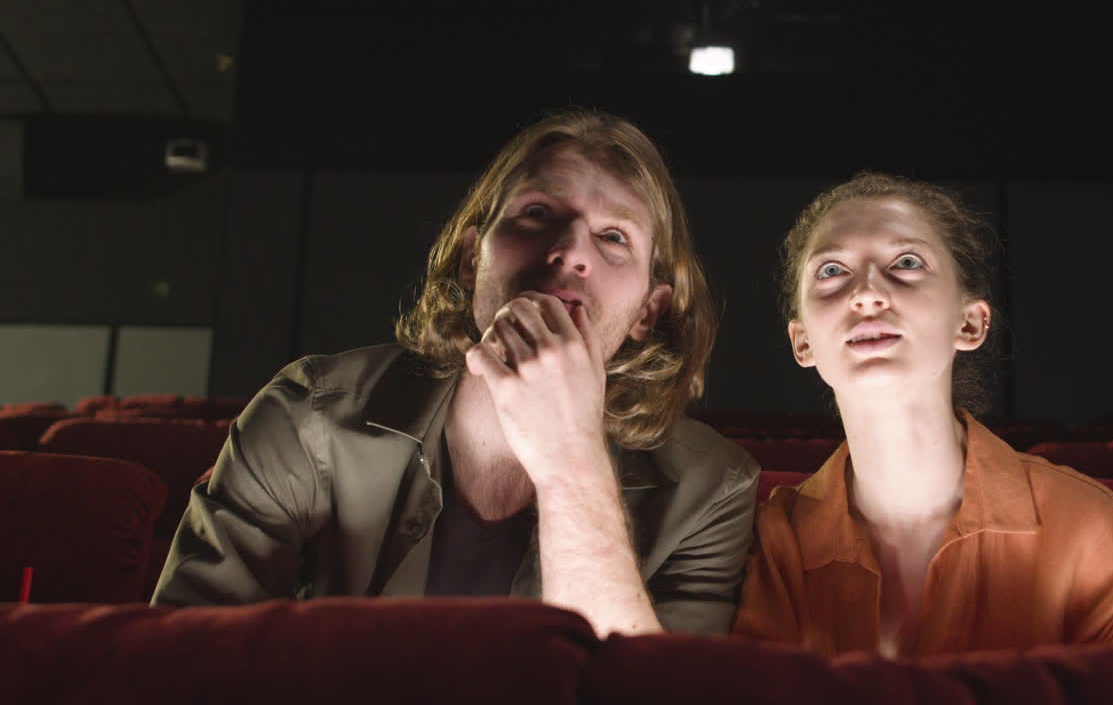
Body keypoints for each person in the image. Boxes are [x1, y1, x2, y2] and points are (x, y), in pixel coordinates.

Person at [152, 110, 760, 637]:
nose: (571, 248)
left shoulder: (712, 491)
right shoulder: (307, 415)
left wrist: (571, 459)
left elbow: (653, 691)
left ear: (648, 313)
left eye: (613, 236)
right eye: (538, 212)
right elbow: (184, 660)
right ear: (473, 259)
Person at [733, 173, 1113, 657]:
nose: (866, 293)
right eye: (831, 271)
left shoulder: (1086, 524)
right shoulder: (776, 540)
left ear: (969, 322)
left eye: (906, 262)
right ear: (803, 343)